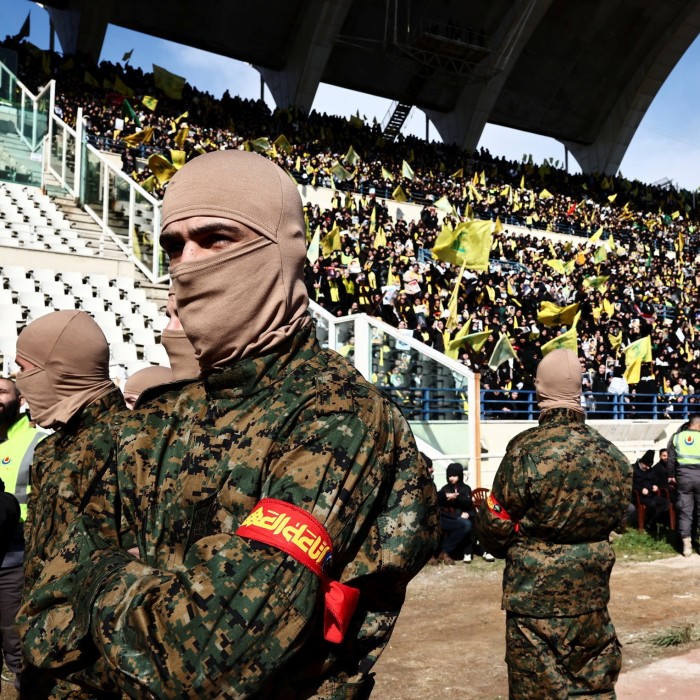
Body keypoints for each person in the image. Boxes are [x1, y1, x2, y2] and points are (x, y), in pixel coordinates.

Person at [18, 150, 439, 698]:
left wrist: (98, 575)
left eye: (216, 238)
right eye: (174, 245)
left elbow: (205, 663)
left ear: (283, 251)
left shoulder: (336, 415)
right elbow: (43, 625)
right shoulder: (163, 415)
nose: (187, 262)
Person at [476, 348, 631, 699]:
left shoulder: (526, 450)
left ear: (539, 389)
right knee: (593, 690)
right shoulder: (613, 456)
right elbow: (619, 518)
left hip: (534, 603)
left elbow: (495, 529)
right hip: (592, 599)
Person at [13, 310, 127, 697]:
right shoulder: (53, 449)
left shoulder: (132, 444)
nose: (18, 382)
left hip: (90, 678)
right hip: (43, 667)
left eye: (24, 368)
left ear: (58, 369)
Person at [0, 377, 45, 693]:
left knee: (14, 637)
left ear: (21, 400)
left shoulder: (38, 441)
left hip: (17, 555)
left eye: (2, 391)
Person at [667, 414, 700, 557]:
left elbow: (670, 459)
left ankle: (687, 547)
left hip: (684, 478)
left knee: (685, 512)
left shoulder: (677, 437)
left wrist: (671, 475)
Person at [436, 462, 475, 564]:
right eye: (449, 476)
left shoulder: (466, 488)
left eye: (454, 476)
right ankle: (445, 551)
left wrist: (457, 497)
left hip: (464, 515)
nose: (451, 478)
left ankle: (468, 551)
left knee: (471, 522)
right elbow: (442, 507)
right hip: (450, 516)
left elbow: (468, 502)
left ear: (460, 475)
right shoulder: (445, 489)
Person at [631, 449, 670, 531]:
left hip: (651, 494)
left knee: (666, 503)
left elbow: (654, 480)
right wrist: (641, 489)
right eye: (647, 466)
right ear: (642, 462)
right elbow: (631, 484)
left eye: (649, 466)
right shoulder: (633, 469)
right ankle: (648, 523)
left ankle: (650, 522)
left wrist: (655, 485)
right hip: (639, 496)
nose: (648, 468)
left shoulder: (650, 470)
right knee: (652, 504)